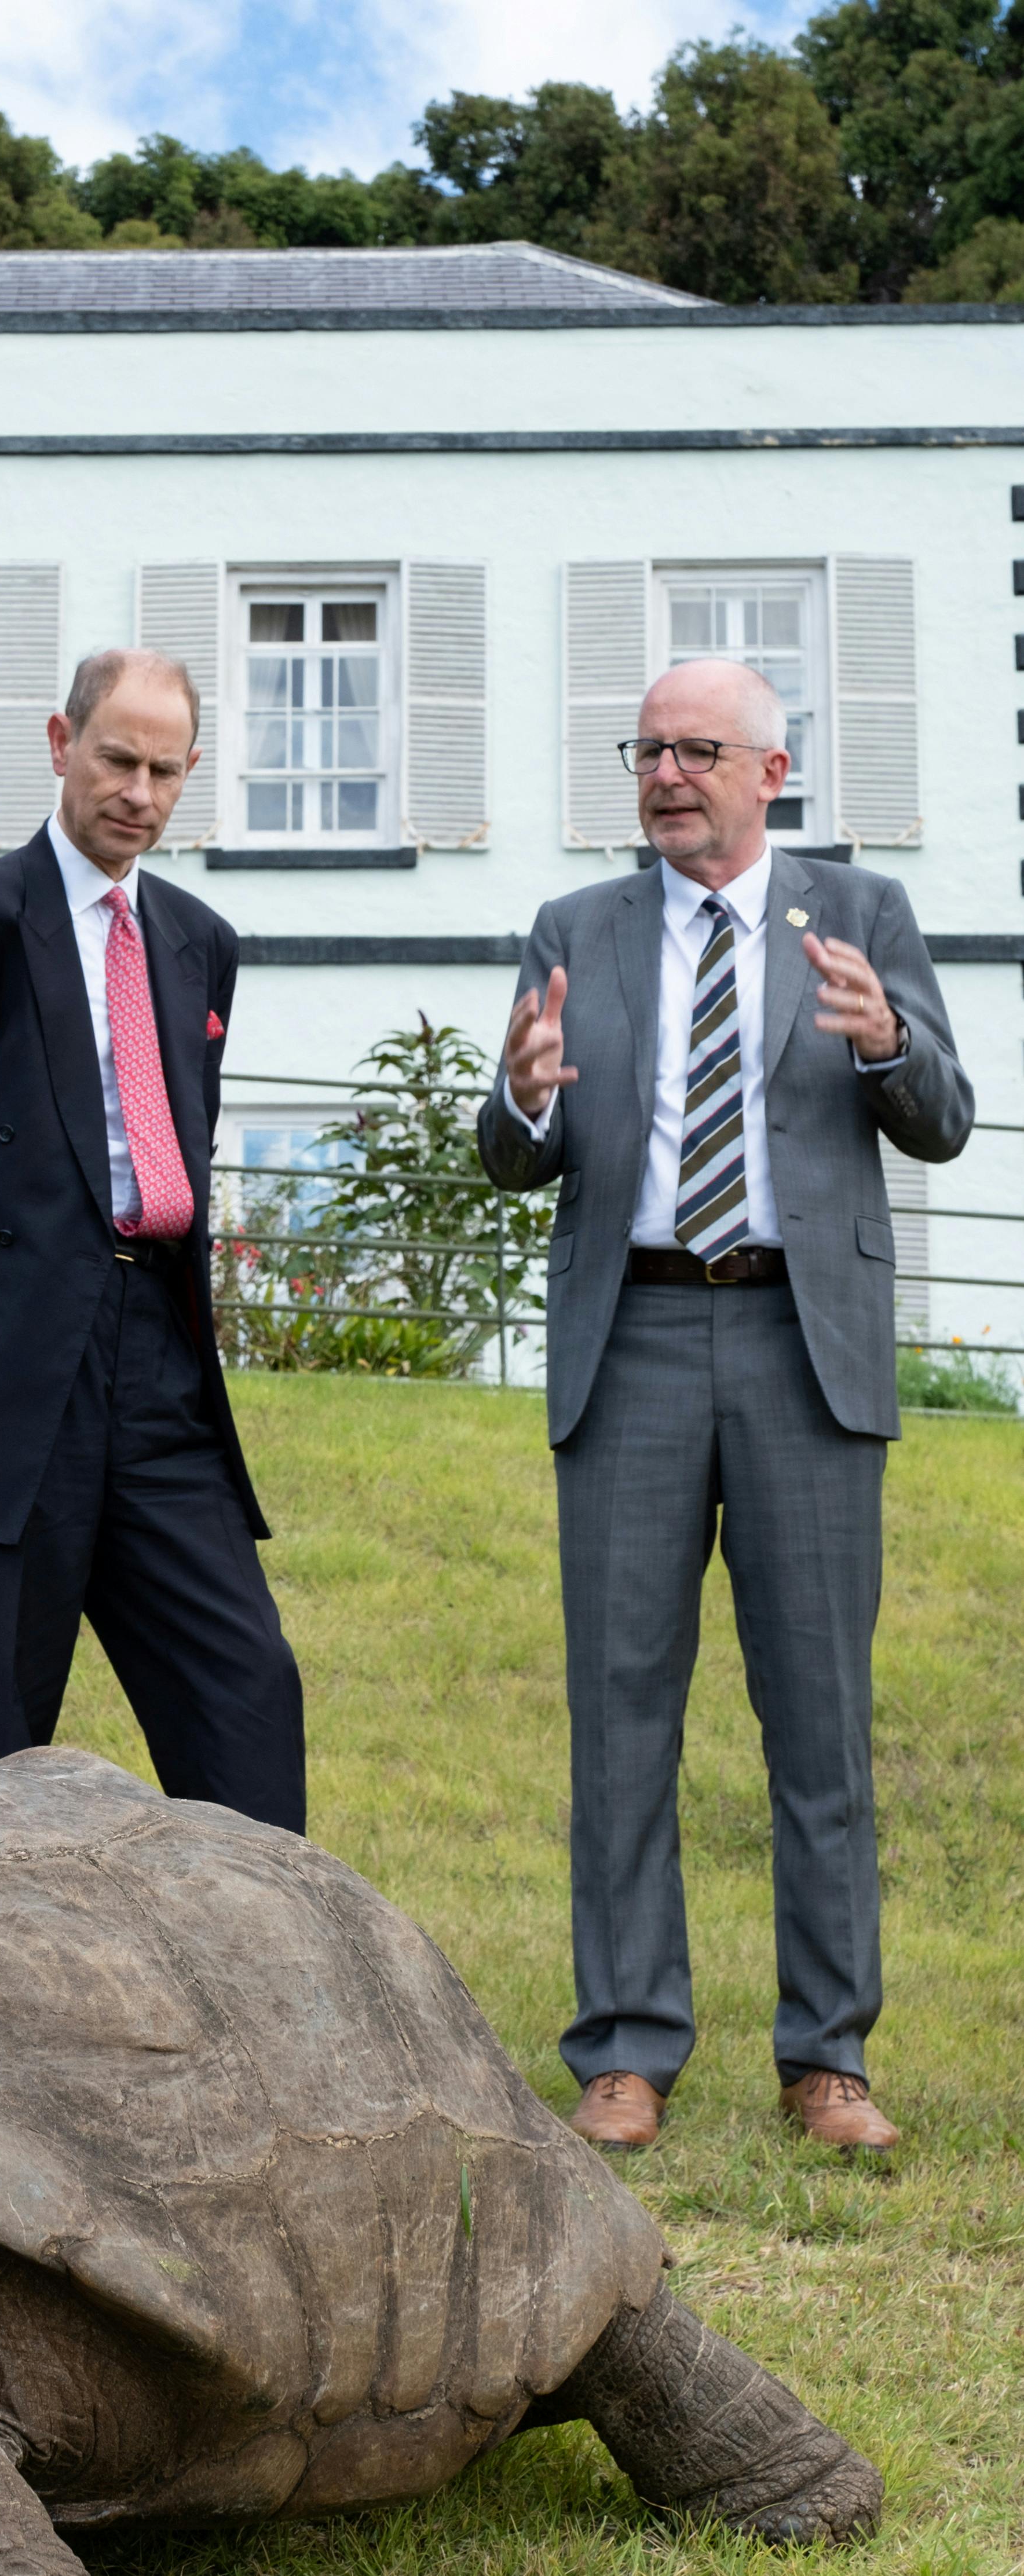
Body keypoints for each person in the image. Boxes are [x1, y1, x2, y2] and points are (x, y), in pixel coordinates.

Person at [478, 657, 972, 2157]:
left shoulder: (860, 917)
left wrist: (883, 1036)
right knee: (617, 1710)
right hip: (629, 1339)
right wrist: (520, 1097)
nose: (664, 773)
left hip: (796, 1342)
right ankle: (623, 2050)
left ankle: (824, 2057)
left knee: (813, 1716)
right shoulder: (576, 929)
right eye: (645, 749)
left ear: (770, 771)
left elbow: (941, 1116)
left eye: (696, 749)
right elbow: (515, 1151)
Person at [0, 647, 306, 1831]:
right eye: (114, 758)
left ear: (188, 773)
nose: (135, 791)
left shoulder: (201, 942)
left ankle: (256, 1997)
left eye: (162, 769)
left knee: (247, 1696)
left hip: (158, 1367)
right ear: (59, 742)